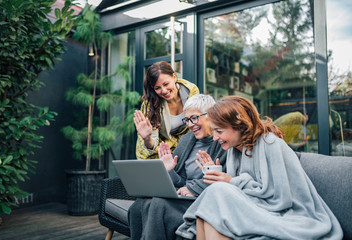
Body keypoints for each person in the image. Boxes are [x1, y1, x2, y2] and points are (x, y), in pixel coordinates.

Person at [176, 95, 343, 240]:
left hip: (285, 211)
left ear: (239, 126)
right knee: (208, 210)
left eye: (219, 131)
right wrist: (224, 179)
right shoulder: (235, 150)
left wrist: (232, 182)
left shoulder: (270, 143)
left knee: (217, 193)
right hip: (256, 206)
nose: (214, 138)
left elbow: (280, 196)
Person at [128, 94, 227, 240]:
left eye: (194, 118)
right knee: (138, 206)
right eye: (187, 120)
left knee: (158, 203)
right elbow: (181, 183)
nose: (190, 124)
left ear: (210, 115)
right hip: (182, 197)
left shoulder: (223, 142)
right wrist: (169, 170)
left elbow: (226, 181)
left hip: (202, 200)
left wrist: (193, 188)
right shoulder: (186, 140)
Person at [134, 61, 199, 159]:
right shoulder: (151, 104)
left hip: (185, 148)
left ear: (174, 77)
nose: (164, 91)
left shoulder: (191, 92)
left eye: (166, 84)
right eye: (157, 88)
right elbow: (152, 143)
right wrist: (147, 138)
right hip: (158, 152)